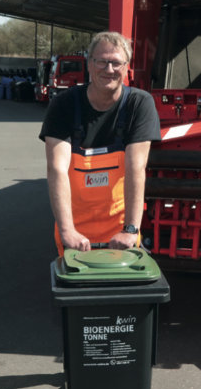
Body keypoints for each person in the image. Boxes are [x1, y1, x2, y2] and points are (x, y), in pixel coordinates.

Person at [40, 31, 160, 255]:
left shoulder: (139, 104)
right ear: (89, 63)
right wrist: (67, 230)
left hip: (120, 232)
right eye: (102, 61)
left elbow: (136, 168)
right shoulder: (63, 105)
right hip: (73, 232)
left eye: (116, 63)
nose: (109, 69)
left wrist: (131, 230)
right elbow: (57, 168)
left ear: (127, 66)